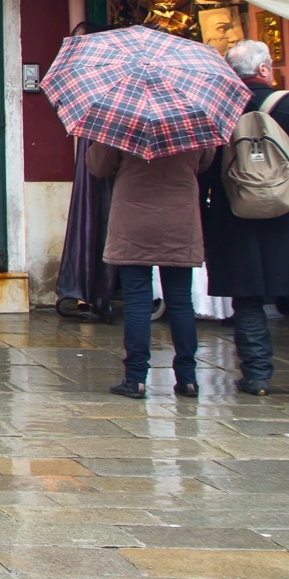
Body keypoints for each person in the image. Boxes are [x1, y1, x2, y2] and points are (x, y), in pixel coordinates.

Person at [204, 39, 289, 399]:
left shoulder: (220, 109)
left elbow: (211, 171)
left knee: (247, 301)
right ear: (263, 70)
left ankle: (257, 377)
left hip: (237, 218)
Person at [87, 136, 214, 399]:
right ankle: (188, 378)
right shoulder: (191, 122)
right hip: (180, 219)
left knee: (137, 301)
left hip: (134, 220)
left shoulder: (123, 121)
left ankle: (136, 379)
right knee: (180, 302)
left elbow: (99, 166)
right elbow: (205, 162)